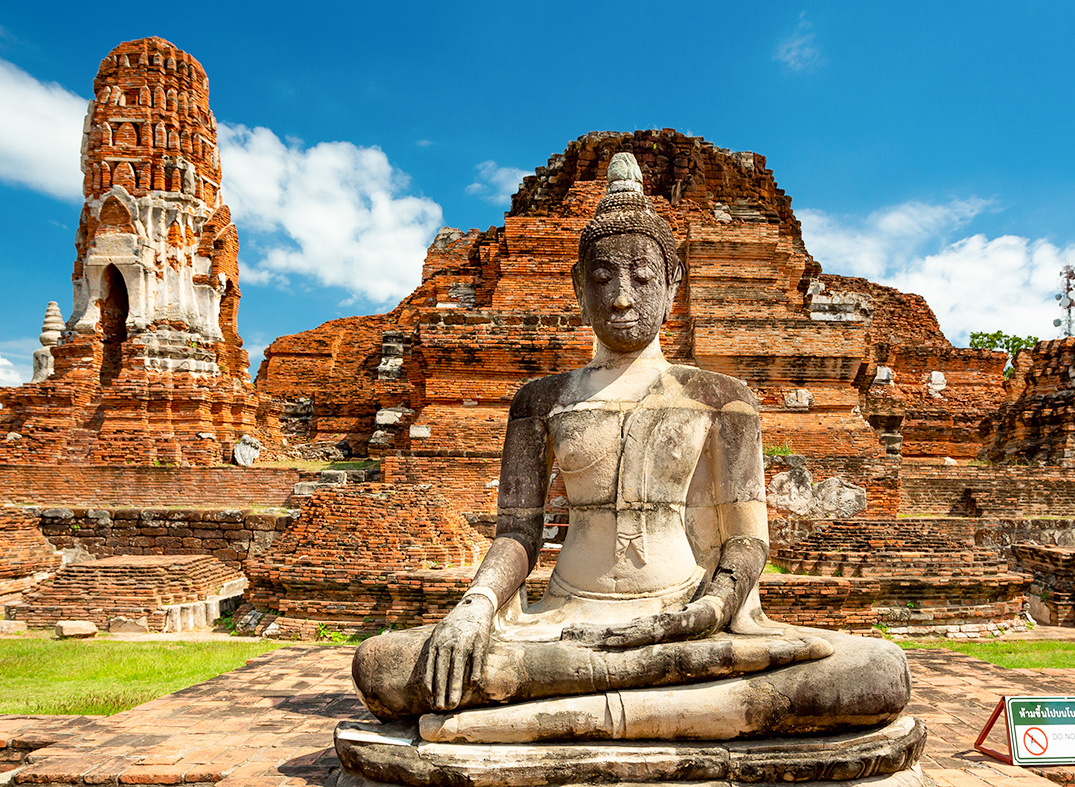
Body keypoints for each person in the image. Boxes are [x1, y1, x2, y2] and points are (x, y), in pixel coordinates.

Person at [352, 153, 909, 743]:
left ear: (672, 286)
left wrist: (712, 610)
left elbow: (747, 539)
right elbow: (517, 534)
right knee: (385, 667)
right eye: (602, 278)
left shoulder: (722, 398)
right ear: (578, 288)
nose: (620, 298)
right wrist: (475, 608)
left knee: (875, 675)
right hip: (567, 621)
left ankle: (556, 718)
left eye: (641, 278)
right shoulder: (539, 401)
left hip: (687, 620)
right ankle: (668, 712)